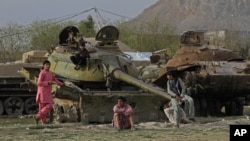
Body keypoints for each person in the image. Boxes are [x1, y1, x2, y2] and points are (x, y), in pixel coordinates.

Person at [34, 60, 64, 125]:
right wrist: (48, 83)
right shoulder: (42, 73)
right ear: (44, 66)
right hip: (42, 91)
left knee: (45, 106)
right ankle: (39, 117)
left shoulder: (50, 73)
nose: (48, 66)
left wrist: (61, 84)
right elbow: (39, 83)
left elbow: (55, 80)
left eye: (49, 65)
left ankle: (43, 120)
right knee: (48, 105)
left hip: (47, 91)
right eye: (46, 65)